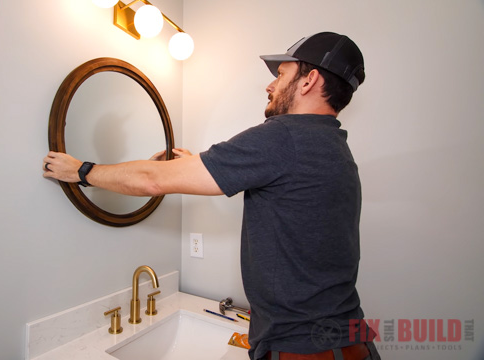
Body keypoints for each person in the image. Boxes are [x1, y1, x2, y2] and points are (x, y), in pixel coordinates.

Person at [43, 32, 380, 360]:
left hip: (304, 350)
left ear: (309, 81)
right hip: (347, 340)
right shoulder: (333, 147)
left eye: (281, 75)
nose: (270, 85)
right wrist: (193, 165)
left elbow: (150, 180)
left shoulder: (284, 137)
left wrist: (81, 171)